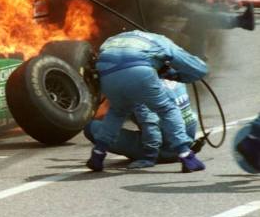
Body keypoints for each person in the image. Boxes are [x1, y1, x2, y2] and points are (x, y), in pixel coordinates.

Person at [85, 30, 207, 173]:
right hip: (139, 73)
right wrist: (179, 76)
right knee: (167, 109)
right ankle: (187, 156)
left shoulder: (113, 39)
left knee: (116, 112)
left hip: (107, 74)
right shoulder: (161, 41)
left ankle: (97, 155)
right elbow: (198, 69)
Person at [83, 79, 199, 169]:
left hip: (166, 148)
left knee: (92, 128)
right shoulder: (172, 72)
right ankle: (182, 149)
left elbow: (150, 124)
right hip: (187, 138)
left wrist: (149, 157)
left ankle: (156, 153)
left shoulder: (138, 84)